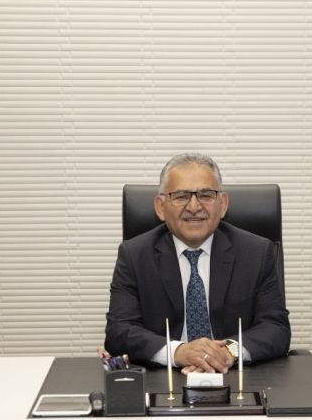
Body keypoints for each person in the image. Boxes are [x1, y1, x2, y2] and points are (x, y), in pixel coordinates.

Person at [104, 153, 291, 374]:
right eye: (181, 196)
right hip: (165, 378)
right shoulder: (134, 255)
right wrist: (178, 352)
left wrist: (228, 352)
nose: (194, 206)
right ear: (160, 207)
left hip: (235, 377)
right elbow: (118, 331)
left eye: (206, 195)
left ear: (223, 204)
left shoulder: (256, 253)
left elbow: (276, 328)